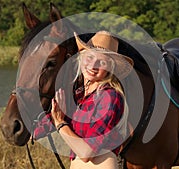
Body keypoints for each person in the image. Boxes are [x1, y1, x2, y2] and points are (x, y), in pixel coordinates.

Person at [33, 31, 134, 169]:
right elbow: (50, 120)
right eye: (90, 57)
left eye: (102, 62)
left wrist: (60, 124)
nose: (93, 66)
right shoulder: (78, 94)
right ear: (81, 57)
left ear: (110, 68)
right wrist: (30, 126)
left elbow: (86, 152)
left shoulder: (110, 98)